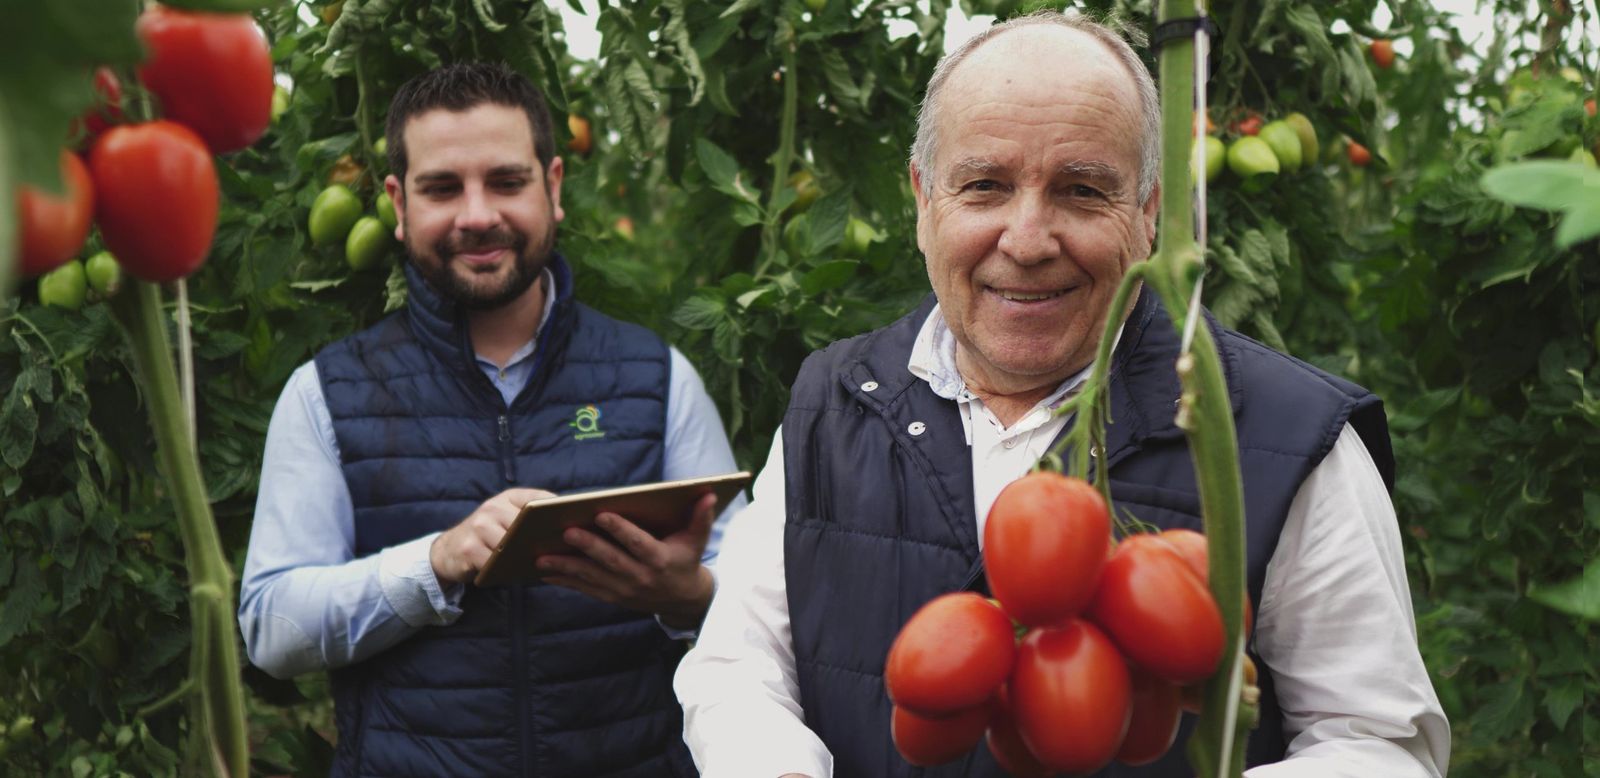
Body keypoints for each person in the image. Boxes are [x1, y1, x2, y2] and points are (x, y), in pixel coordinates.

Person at [674, 12, 1449, 778]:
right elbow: (738, 664)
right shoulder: (834, 399)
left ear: (1149, 212)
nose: (1027, 240)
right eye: (984, 186)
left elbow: (1378, 741)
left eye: (1082, 191)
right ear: (923, 200)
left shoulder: (1292, 434)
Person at [238, 62, 743, 778]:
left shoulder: (656, 379)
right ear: (399, 203)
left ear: (553, 188)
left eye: (506, 182)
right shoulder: (327, 393)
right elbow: (272, 629)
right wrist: (435, 562)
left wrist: (688, 596)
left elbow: (757, 607)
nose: (477, 215)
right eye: (443, 188)